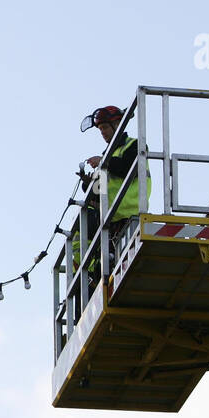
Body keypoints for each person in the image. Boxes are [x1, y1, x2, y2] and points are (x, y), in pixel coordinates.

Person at [70, 105, 150, 297]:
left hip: (131, 217)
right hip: (111, 222)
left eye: (105, 127)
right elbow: (100, 193)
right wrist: (90, 183)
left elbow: (125, 168)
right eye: (100, 130)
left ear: (117, 124)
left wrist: (103, 162)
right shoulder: (107, 156)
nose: (103, 133)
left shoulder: (134, 145)